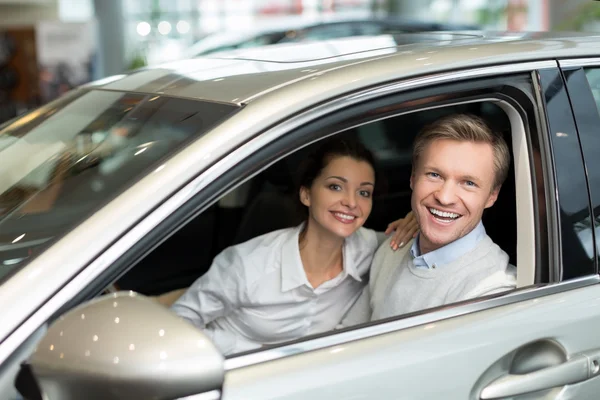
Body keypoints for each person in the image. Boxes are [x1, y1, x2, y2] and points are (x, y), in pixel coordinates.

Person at [171, 138, 418, 355]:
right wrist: (253, 355)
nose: (351, 202)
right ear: (306, 195)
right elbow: (178, 324)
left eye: (364, 193)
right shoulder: (248, 262)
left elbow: (421, 249)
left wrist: (416, 219)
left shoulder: (375, 250)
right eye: (335, 187)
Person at [341, 114, 517, 326]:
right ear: (413, 178)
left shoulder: (492, 293)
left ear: (492, 196)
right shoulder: (393, 247)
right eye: (434, 175)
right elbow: (348, 334)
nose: (444, 197)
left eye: (468, 183)